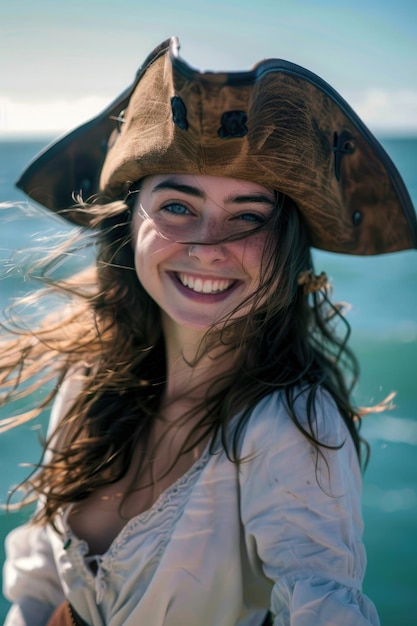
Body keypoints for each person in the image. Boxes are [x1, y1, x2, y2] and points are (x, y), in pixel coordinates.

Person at [1, 36, 416, 626]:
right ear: (130, 224)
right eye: (177, 207)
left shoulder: (289, 427)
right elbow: (36, 594)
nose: (208, 246)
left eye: (248, 216)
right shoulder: (88, 383)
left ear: (287, 248)